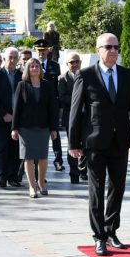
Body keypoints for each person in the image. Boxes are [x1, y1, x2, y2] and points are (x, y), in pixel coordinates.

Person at [69, 33, 130, 257]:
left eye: (116, 47)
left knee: (117, 188)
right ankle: (99, 236)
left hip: (120, 142)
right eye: (108, 47)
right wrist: (74, 143)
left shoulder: (128, 76)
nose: (113, 51)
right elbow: (75, 112)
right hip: (95, 142)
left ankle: (112, 231)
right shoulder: (86, 75)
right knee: (97, 189)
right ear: (98, 49)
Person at [12, 58, 59, 198]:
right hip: (26, 127)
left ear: (40, 69)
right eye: (31, 66)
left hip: (43, 126)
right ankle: (32, 187)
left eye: (37, 66)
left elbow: (53, 108)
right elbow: (17, 108)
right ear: (27, 69)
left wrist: (54, 128)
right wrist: (14, 128)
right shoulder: (22, 85)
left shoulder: (47, 85)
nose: (34, 68)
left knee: (43, 157)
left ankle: (41, 183)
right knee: (29, 158)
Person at [0, 47, 23, 188]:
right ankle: (1, 176)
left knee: (15, 149)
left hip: (17, 117)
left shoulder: (22, 75)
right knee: (1, 147)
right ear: (4, 59)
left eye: (15, 58)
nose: (13, 60)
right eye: (10, 57)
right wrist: (4, 114)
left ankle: (13, 176)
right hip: (1, 117)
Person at [57, 53, 87, 183]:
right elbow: (62, 97)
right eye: (71, 62)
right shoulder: (62, 79)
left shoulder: (87, 75)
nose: (74, 64)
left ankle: (83, 170)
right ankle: (74, 173)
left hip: (86, 116)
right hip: (70, 117)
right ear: (67, 64)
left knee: (86, 144)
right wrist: (78, 100)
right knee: (73, 144)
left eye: (77, 61)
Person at [36, 40, 64, 172]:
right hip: (38, 105)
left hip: (51, 105)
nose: (41, 53)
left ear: (48, 51)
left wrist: (59, 106)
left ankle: (58, 161)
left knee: (55, 134)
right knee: (39, 135)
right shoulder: (33, 66)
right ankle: (38, 161)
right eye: (39, 51)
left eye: (43, 51)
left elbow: (57, 88)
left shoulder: (54, 66)